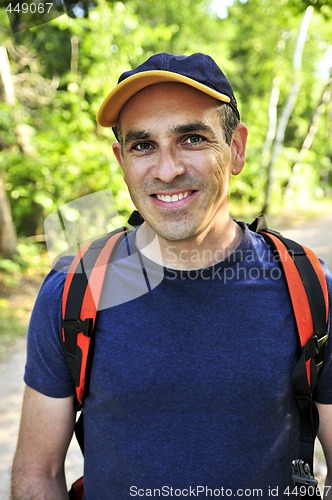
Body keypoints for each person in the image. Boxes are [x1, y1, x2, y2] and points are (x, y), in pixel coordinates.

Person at [11, 52, 332, 499]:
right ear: (122, 160)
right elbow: (37, 474)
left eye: (193, 139)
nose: (167, 169)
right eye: (143, 146)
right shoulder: (73, 291)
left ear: (236, 149)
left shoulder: (311, 292)